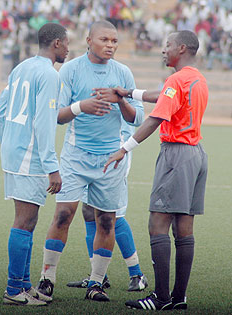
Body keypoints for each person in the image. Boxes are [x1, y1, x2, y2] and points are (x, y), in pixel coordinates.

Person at [35, 20, 144, 302]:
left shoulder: (123, 72)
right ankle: (47, 278)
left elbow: (138, 118)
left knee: (106, 220)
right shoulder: (70, 70)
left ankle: (96, 283)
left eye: (114, 41)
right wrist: (81, 106)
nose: (110, 45)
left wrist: (121, 100)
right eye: (104, 40)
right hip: (76, 156)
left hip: (111, 159)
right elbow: (57, 115)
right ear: (88, 40)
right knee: (63, 215)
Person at [103, 30, 208, 310]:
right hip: (197, 154)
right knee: (184, 228)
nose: (164, 50)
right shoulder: (196, 78)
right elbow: (162, 96)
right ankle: (179, 298)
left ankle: (161, 298)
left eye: (167, 45)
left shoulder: (176, 79)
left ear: (181, 48)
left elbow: (157, 118)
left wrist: (124, 148)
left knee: (157, 224)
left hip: (176, 156)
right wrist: (129, 93)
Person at [0, 22, 69, 306]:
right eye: (67, 42)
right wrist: (53, 167)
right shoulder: (50, 74)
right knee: (24, 220)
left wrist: (8, 143)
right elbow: (43, 123)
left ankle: (25, 285)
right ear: (57, 44)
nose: (68, 48)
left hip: (15, 151)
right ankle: (14, 289)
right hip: (30, 155)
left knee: (30, 219)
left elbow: (1, 111)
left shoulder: (22, 67)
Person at [66, 119, 150, 292]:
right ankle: (98, 276)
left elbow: (135, 117)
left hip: (115, 155)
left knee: (113, 216)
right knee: (88, 211)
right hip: (92, 157)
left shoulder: (121, 92)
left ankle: (137, 274)